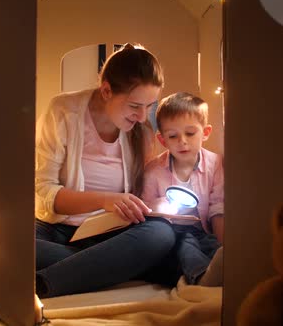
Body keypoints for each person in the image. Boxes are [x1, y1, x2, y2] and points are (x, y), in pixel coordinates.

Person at [35, 43, 176, 298]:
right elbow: (44, 190)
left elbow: (141, 195)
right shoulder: (63, 111)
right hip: (58, 231)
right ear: (106, 90)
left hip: (112, 234)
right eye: (134, 106)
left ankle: (47, 281)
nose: (143, 117)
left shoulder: (140, 131)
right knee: (14, 246)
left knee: (161, 235)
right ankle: (109, 266)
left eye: (149, 106)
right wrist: (105, 200)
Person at [141, 92, 224, 286]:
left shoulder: (215, 164)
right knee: (186, 244)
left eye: (190, 133)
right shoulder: (153, 171)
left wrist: (222, 246)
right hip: (172, 233)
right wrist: (158, 206)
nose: (182, 141)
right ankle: (202, 276)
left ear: (205, 132)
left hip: (203, 230)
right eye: (173, 136)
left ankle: (223, 269)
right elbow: (145, 209)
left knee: (211, 245)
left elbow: (218, 208)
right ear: (163, 140)